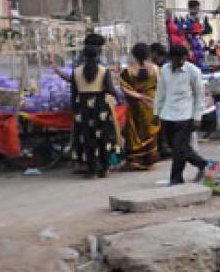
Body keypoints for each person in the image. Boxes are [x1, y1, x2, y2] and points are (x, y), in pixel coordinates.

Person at [153, 45, 207, 185]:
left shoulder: (193, 71)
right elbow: (160, 92)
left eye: (183, 59)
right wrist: (156, 112)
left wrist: (197, 117)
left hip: (185, 115)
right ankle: (202, 164)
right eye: (178, 59)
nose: (181, 61)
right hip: (168, 114)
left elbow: (199, 95)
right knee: (176, 147)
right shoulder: (164, 71)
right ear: (171, 59)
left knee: (179, 148)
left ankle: (176, 178)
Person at [67, 45, 122, 179]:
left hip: (83, 108)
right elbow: (110, 88)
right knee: (104, 138)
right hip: (100, 107)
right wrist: (118, 98)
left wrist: (75, 109)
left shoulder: (76, 72)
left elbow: (73, 93)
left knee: (86, 138)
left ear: (83, 56)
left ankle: (91, 170)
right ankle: (105, 168)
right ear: (98, 56)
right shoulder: (104, 71)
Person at [118, 43, 160, 171]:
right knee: (150, 130)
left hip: (136, 104)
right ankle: (150, 159)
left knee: (135, 131)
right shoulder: (156, 69)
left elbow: (124, 88)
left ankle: (137, 160)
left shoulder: (128, 71)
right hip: (152, 102)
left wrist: (140, 97)